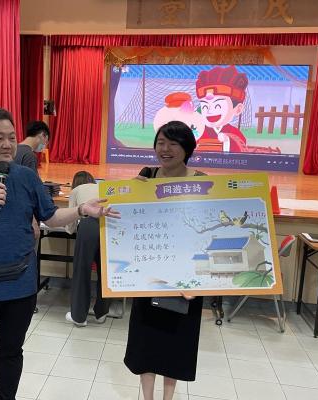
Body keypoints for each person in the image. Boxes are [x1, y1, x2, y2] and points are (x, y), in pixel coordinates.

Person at [0, 108, 119, 400]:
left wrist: (82, 209)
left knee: (11, 353)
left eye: (11, 137)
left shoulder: (26, 177)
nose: (8, 144)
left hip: (20, 286)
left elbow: (51, 216)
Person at [124, 121, 205, 400]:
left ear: (187, 148)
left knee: (176, 343)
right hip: (149, 273)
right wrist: (131, 193)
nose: (165, 149)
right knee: (146, 341)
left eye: (173, 143)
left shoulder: (201, 180)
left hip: (186, 277)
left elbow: (206, 231)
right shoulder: (147, 175)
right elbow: (132, 220)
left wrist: (199, 279)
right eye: (160, 143)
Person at [64, 171, 111, 327]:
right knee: (105, 272)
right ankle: (101, 313)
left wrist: (69, 230)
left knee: (82, 271)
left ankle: (79, 317)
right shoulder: (102, 187)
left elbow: (70, 223)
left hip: (88, 225)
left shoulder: (76, 191)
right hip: (108, 226)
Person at [195, 65, 249, 152]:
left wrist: (228, 141)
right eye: (205, 106)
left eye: (218, 106)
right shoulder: (198, 132)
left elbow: (241, 153)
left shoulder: (236, 134)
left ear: (238, 109)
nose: (209, 111)